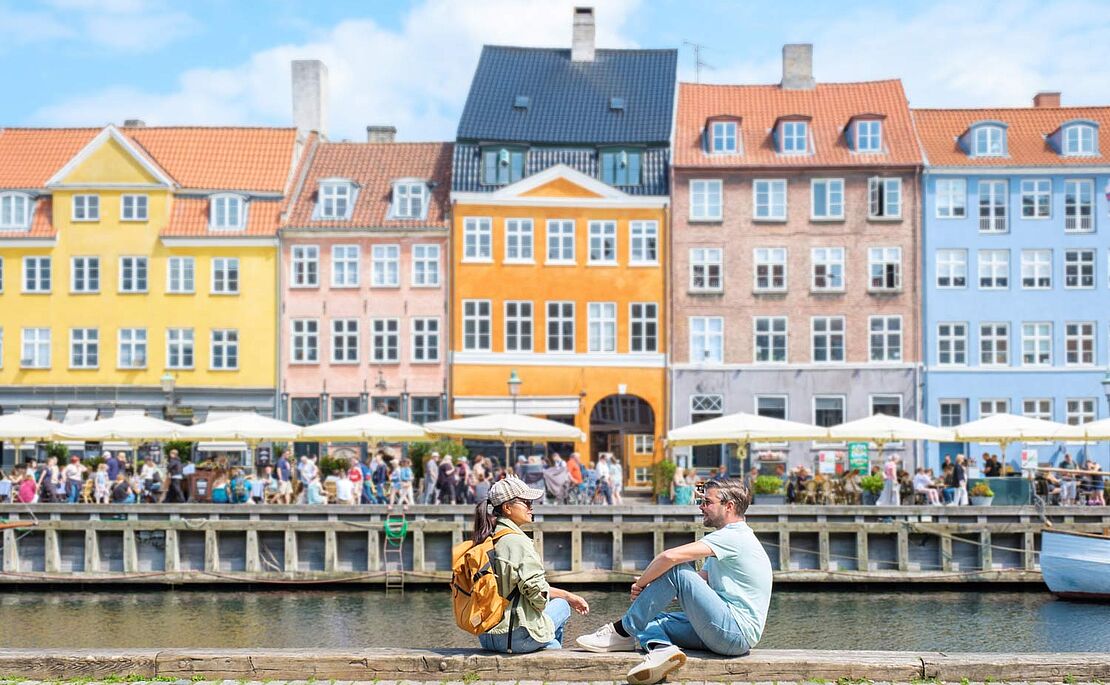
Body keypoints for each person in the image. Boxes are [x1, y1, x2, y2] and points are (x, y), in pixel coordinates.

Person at [576, 478, 772, 685]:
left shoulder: (734, 536)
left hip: (734, 633)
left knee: (677, 568)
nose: (701, 507)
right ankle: (663, 650)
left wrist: (641, 584)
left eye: (707, 502)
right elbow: (695, 583)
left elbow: (669, 558)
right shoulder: (727, 541)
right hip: (724, 633)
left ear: (729, 506)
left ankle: (621, 632)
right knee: (650, 617)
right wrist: (654, 589)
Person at [470, 476, 589, 653]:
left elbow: (517, 587)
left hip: (486, 636)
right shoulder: (518, 542)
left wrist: (567, 594)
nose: (531, 507)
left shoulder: (487, 537)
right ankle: (549, 649)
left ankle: (551, 648)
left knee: (552, 645)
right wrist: (558, 601)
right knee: (562, 606)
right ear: (507, 508)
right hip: (512, 637)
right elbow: (537, 593)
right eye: (526, 502)